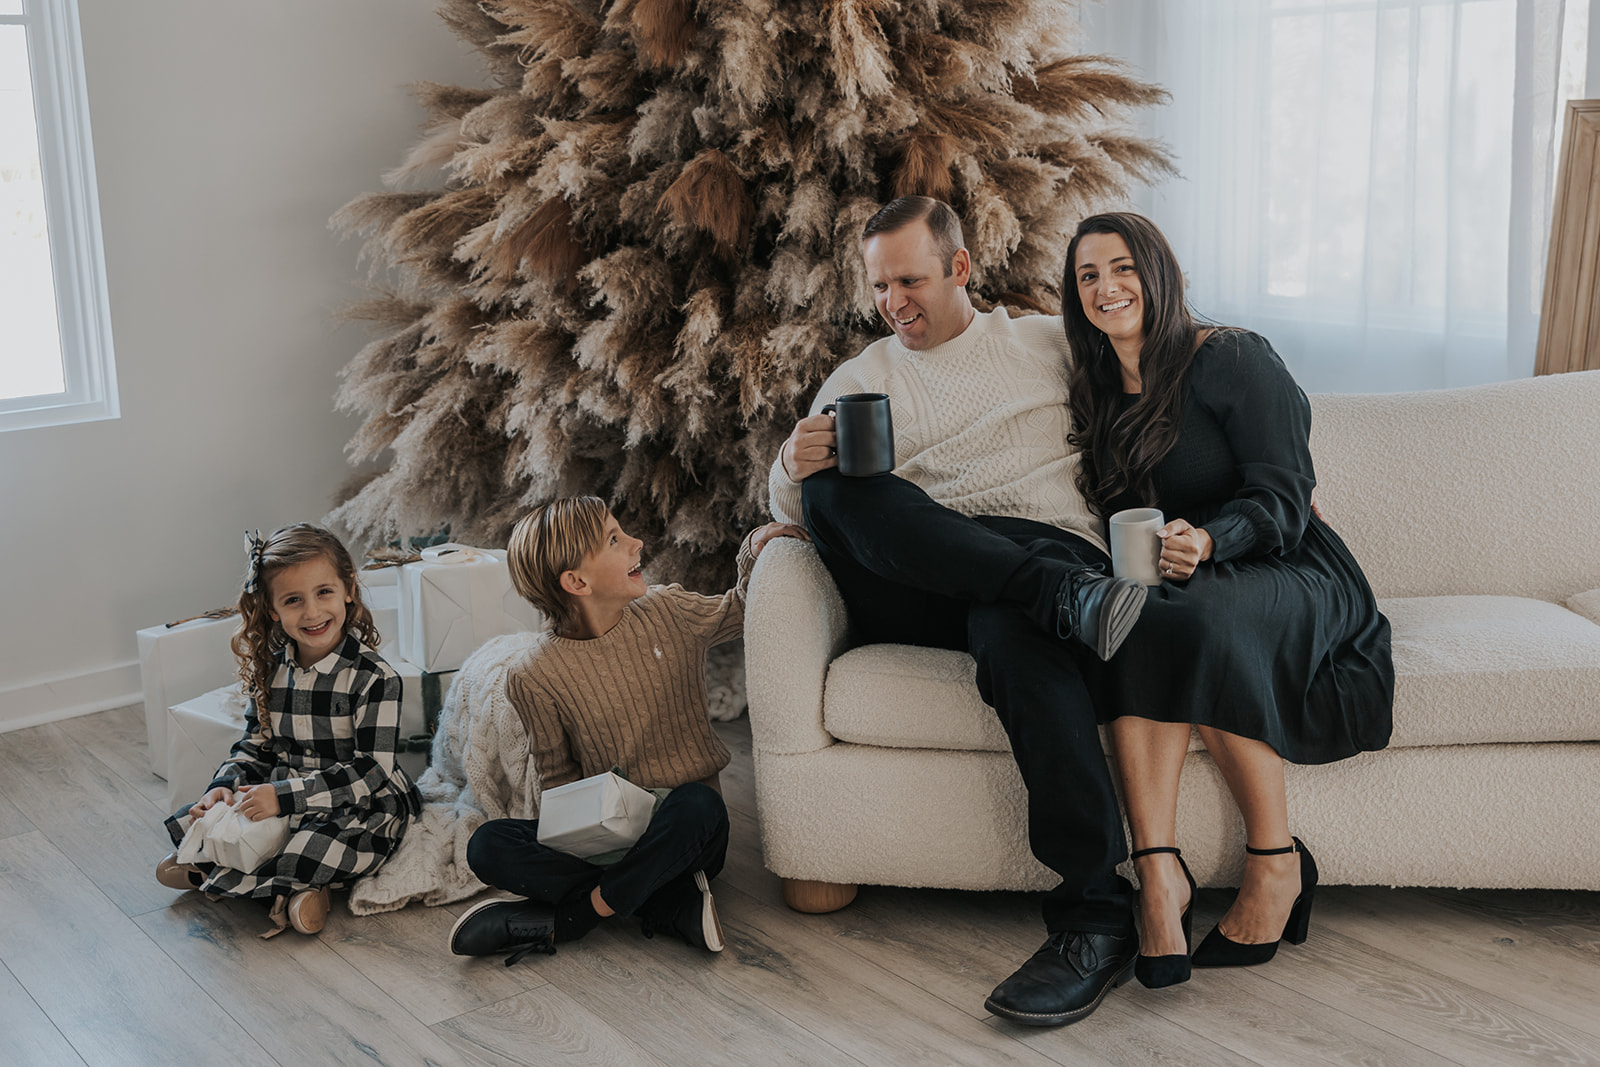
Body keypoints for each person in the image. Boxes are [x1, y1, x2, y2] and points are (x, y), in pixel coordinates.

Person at [769, 196, 1149, 1027]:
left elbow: (1179, 373)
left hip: (1049, 549)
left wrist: (1276, 489)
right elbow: (787, 500)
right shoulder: (865, 375)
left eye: (909, 279)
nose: (893, 301)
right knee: (831, 488)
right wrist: (791, 463)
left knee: (1015, 631)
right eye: (878, 286)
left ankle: (1097, 917)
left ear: (961, 267)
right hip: (934, 576)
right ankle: (1061, 599)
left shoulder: (1044, 341)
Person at [1063, 211, 1394, 989]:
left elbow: (1286, 496)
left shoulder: (1236, 357)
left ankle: (1276, 862)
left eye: (1122, 268)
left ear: (1159, 270)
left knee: (1199, 617)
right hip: (1187, 583)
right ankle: (1157, 874)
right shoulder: (1096, 390)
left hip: (1293, 568)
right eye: (1087, 276)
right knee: (1136, 622)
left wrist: (1211, 540)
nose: (1107, 288)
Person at [449, 497, 806, 964]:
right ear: (576, 582)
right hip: (608, 838)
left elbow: (740, 610)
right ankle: (665, 900)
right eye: (614, 540)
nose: (637, 542)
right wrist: (579, 839)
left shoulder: (668, 611)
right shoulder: (532, 674)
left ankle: (574, 918)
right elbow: (559, 776)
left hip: (685, 831)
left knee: (699, 804)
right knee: (487, 845)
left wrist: (755, 550)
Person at [155, 524, 422, 938]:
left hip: (356, 798)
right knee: (203, 820)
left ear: (348, 589)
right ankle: (252, 876)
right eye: (294, 600)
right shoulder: (269, 669)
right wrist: (223, 786)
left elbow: (370, 772)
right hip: (283, 787)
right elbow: (255, 745)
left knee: (310, 846)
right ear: (273, 609)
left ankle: (290, 890)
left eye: (324, 593)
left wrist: (283, 799)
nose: (312, 613)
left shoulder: (375, 678)